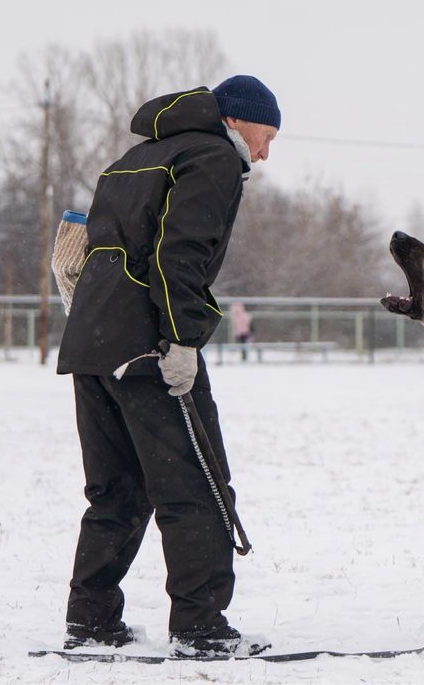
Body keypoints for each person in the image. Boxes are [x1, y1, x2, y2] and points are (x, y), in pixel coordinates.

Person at [54, 75, 280, 657]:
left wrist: (98, 319)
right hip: (148, 345)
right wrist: (181, 340)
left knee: (116, 491)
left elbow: (94, 248)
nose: (265, 153)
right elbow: (178, 255)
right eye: (267, 135)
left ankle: (91, 622)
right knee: (197, 486)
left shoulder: (131, 159)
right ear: (237, 118)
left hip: (91, 342)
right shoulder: (212, 157)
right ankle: (201, 629)